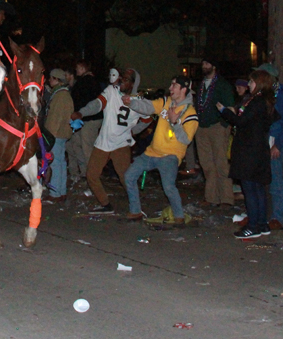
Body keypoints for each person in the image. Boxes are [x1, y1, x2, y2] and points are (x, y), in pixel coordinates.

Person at [122, 75, 199, 224]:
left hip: (170, 156)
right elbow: (148, 106)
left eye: (174, 85)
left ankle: (179, 217)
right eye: (171, 84)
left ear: (183, 89)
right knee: (129, 176)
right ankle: (135, 211)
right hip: (151, 152)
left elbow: (186, 140)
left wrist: (175, 122)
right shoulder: (166, 102)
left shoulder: (190, 114)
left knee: (169, 187)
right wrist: (131, 102)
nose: (170, 88)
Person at [76, 68, 149, 214]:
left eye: (126, 79)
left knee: (126, 178)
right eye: (122, 78)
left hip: (121, 144)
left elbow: (148, 120)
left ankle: (136, 207)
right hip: (103, 142)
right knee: (92, 175)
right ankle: (105, 204)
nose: (122, 81)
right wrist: (81, 112)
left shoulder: (139, 102)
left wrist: (133, 131)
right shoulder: (112, 91)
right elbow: (97, 104)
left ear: (134, 84)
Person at [218, 69, 279, 239]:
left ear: (258, 83)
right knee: (257, 187)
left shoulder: (258, 102)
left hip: (249, 150)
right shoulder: (264, 101)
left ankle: (253, 226)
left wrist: (225, 111)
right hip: (257, 148)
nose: (249, 85)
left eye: (251, 82)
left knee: (250, 189)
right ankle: (261, 223)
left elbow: (241, 121)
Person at [256, 63, 283, 230]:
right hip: (261, 140)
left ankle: (277, 217)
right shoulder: (262, 94)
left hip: (273, 141)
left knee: (276, 182)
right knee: (257, 181)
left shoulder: (282, 97)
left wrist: (279, 145)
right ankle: (258, 215)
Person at [195, 59, 236, 207]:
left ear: (214, 66)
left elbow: (230, 107)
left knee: (221, 163)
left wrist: (224, 125)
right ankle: (211, 197)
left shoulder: (223, 85)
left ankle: (226, 198)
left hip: (217, 126)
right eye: (203, 64)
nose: (204, 67)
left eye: (207, 64)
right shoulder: (201, 85)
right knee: (207, 164)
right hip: (202, 127)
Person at [68, 60, 103, 184]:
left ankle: (93, 176)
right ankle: (86, 173)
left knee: (87, 148)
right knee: (79, 146)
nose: (76, 70)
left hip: (89, 119)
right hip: (85, 118)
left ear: (83, 68)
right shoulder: (89, 81)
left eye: (78, 68)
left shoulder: (87, 81)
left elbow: (80, 99)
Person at [44, 69, 73, 203]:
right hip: (61, 133)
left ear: (57, 79)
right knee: (60, 163)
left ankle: (55, 193)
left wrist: (49, 136)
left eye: (51, 78)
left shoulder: (60, 95)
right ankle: (61, 192)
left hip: (56, 134)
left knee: (55, 163)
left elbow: (55, 117)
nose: (49, 80)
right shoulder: (62, 94)